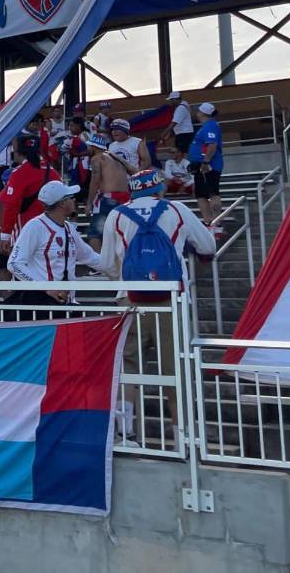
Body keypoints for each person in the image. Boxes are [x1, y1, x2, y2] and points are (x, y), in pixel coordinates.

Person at [100, 169, 216, 445]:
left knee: (128, 364)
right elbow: (208, 246)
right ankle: (182, 437)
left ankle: (125, 432)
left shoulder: (116, 215)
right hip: (171, 297)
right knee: (176, 367)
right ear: (157, 188)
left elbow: (106, 264)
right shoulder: (176, 210)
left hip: (130, 298)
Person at [6, 180, 103, 303]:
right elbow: (14, 264)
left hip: (65, 302)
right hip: (41, 302)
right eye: (71, 197)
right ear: (62, 203)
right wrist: (46, 287)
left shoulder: (69, 228)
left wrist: (120, 267)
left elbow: (90, 257)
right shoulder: (35, 226)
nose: (75, 200)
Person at [0, 134, 53, 281]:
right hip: (50, 233)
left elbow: (11, 205)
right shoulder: (51, 171)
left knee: (24, 275)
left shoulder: (19, 173)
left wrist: (5, 235)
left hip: (24, 233)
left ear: (19, 152)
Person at [84, 132, 131, 250]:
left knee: (95, 233)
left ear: (94, 147)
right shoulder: (116, 158)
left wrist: (89, 203)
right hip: (125, 199)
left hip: (108, 198)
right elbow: (134, 170)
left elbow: (95, 181)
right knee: (121, 233)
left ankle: (97, 262)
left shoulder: (97, 158)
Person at [188, 102, 224, 231]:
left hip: (208, 166)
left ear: (203, 113)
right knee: (201, 194)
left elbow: (212, 144)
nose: (197, 113)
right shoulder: (206, 126)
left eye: (198, 111)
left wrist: (206, 162)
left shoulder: (210, 126)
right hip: (201, 166)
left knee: (212, 192)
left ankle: (217, 222)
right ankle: (208, 222)